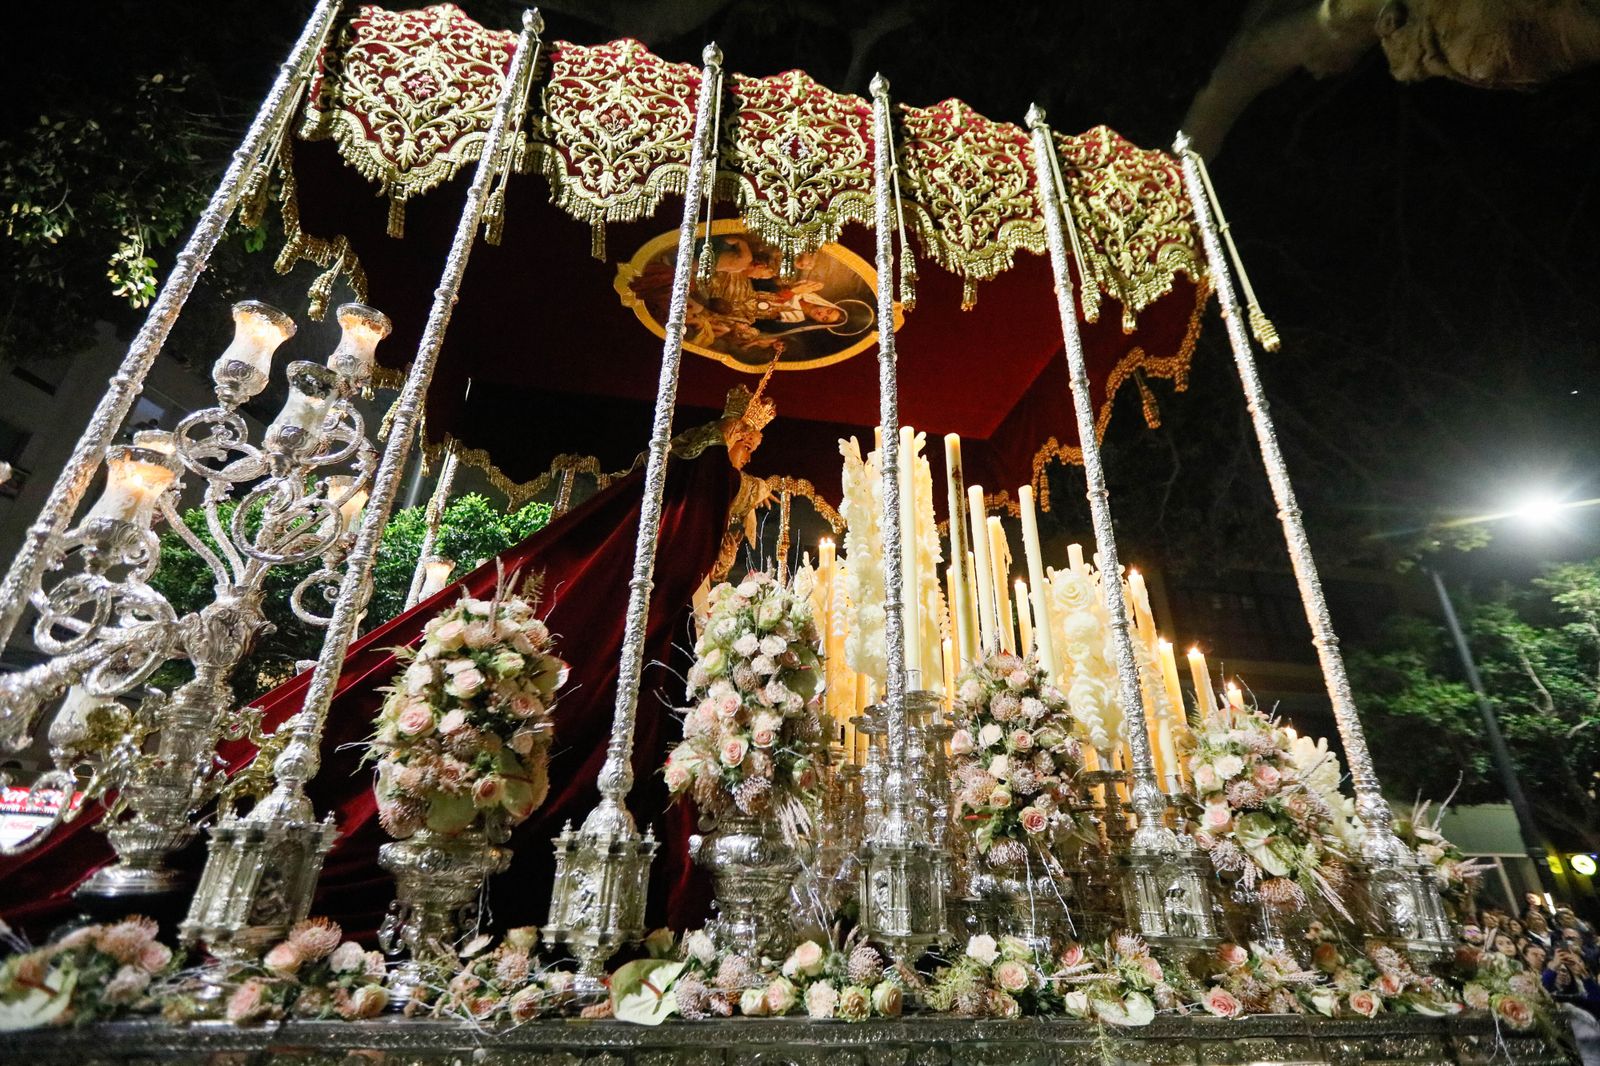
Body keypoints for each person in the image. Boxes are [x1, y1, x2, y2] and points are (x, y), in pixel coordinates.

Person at [1545, 947, 1600, 1019]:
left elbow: (1597, 1004)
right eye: (1557, 970)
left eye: (1579, 961)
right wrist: (1553, 967)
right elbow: (1542, 990)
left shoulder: (1580, 994)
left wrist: (1584, 974)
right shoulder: (1559, 996)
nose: (1563, 974)